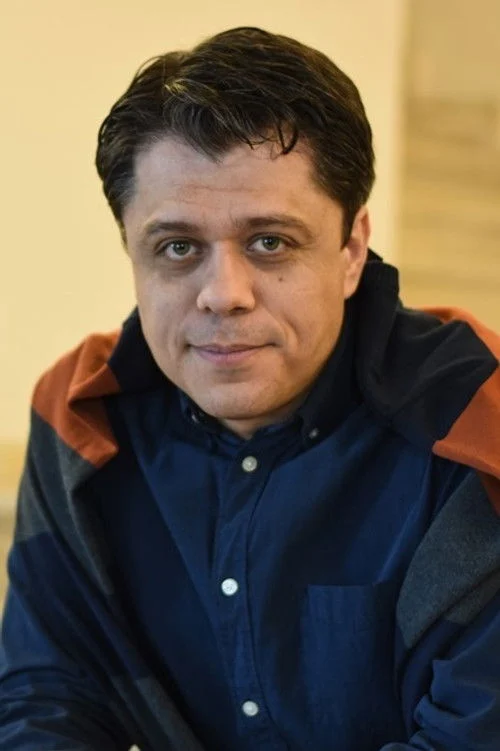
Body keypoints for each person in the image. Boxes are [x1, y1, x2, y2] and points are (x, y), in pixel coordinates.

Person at [1, 25, 499, 751]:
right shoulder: (82, 418)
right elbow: (47, 696)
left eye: (270, 242)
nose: (224, 294)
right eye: (178, 248)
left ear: (351, 249)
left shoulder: (474, 422)